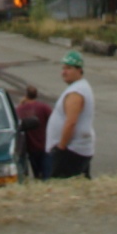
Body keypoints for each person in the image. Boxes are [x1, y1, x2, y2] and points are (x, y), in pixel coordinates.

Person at [45, 51, 95, 179]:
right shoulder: (79, 87)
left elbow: (71, 122)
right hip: (75, 149)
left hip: (71, 150)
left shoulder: (76, 92)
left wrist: (61, 147)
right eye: (63, 68)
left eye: (68, 68)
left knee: (60, 185)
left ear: (79, 70)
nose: (64, 72)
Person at [15, 85, 52, 180]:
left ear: (26, 95)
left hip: (30, 147)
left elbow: (16, 124)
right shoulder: (44, 107)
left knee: (37, 172)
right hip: (44, 145)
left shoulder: (19, 110)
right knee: (46, 173)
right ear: (36, 95)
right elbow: (53, 120)